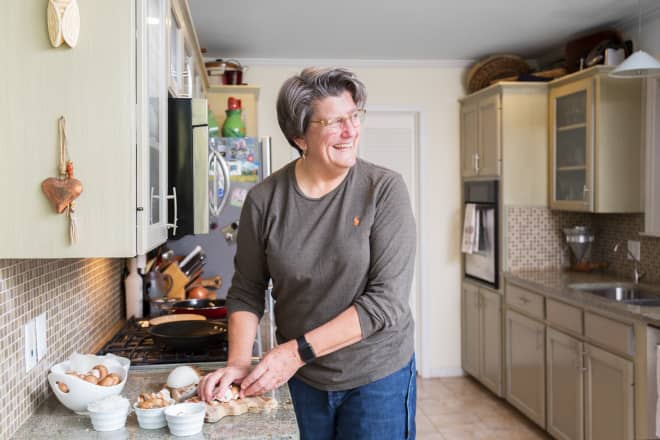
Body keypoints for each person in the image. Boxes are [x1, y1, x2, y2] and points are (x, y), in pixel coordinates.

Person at [199, 67, 417, 439]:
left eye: (354, 116)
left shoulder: (383, 190)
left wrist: (294, 353)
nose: (351, 131)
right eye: (334, 122)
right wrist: (238, 362)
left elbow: (386, 302)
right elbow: (247, 290)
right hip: (303, 380)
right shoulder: (264, 201)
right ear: (300, 137)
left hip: (376, 376)